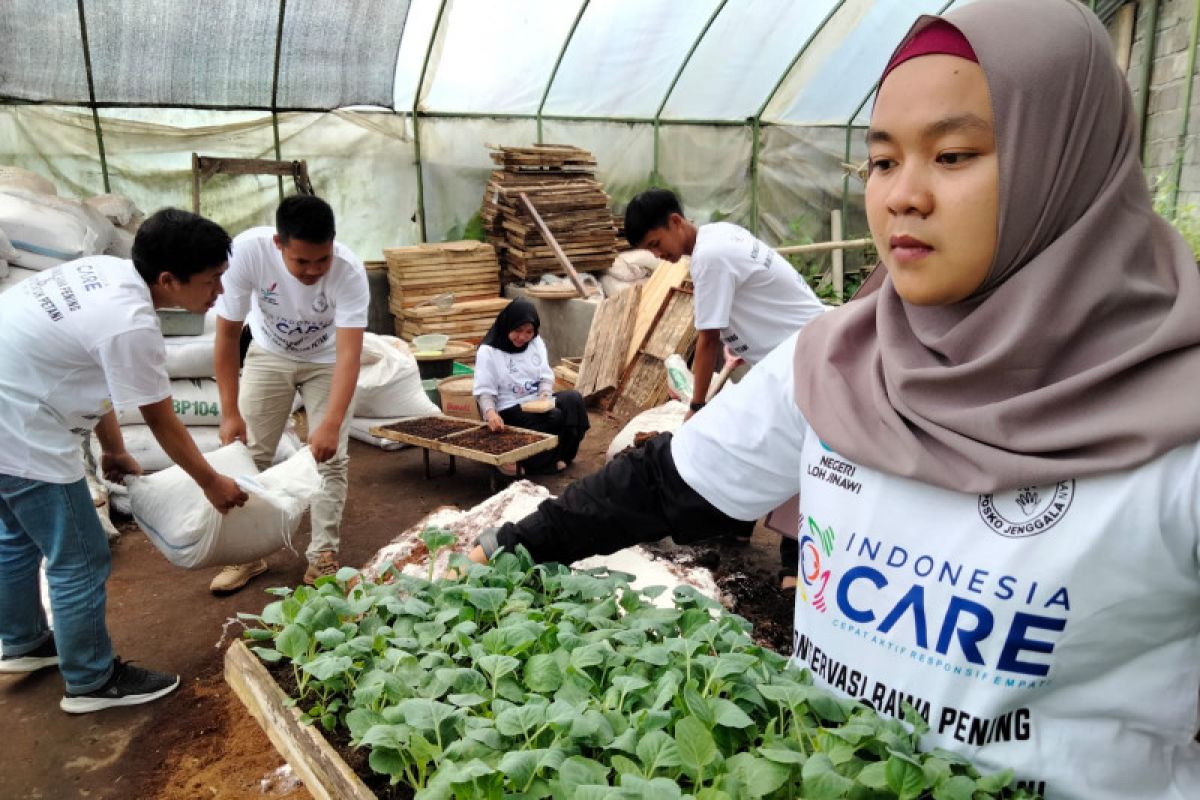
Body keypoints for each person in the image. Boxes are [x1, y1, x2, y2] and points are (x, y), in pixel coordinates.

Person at [467, 1, 1200, 796]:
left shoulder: (1178, 417)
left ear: (1070, 162)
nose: (901, 198)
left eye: (952, 155)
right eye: (882, 161)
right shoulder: (840, 360)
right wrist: (505, 549)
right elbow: (659, 484)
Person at [0, 208, 248, 713]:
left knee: (15, 537)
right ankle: (92, 682)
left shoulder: (109, 272)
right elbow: (161, 421)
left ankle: (23, 643)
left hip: (12, 413)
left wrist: (113, 448)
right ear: (167, 280)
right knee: (81, 555)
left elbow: (94, 380)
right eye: (212, 280)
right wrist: (211, 482)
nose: (219, 292)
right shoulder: (130, 322)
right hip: (20, 433)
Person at [211, 195, 367, 593]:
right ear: (279, 244)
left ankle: (323, 557)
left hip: (328, 359)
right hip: (268, 353)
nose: (314, 270)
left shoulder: (348, 271)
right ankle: (249, 554)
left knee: (331, 459)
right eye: (302, 262)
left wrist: (329, 424)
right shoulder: (247, 253)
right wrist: (229, 411)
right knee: (249, 454)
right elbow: (227, 335)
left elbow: (350, 355)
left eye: (323, 259)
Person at [623, 188, 825, 420]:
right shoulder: (718, 233)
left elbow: (707, 340)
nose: (657, 254)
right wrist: (741, 342)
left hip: (804, 359)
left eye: (655, 243)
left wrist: (696, 407)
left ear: (675, 221)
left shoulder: (710, 258)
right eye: (649, 249)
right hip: (809, 342)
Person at [473, 299, 589, 476]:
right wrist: (490, 413)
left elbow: (545, 374)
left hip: (535, 402)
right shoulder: (489, 351)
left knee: (573, 400)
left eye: (529, 332)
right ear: (507, 325)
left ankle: (562, 455)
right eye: (518, 330)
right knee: (554, 417)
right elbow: (485, 390)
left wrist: (544, 396)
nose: (523, 337)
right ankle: (535, 463)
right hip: (508, 408)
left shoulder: (535, 343)